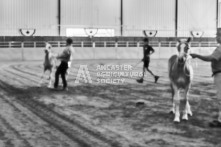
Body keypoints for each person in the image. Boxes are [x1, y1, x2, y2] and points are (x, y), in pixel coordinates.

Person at [190, 28, 221, 127]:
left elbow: (211, 58)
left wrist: (197, 55)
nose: (216, 37)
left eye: (218, 35)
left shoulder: (220, 49)